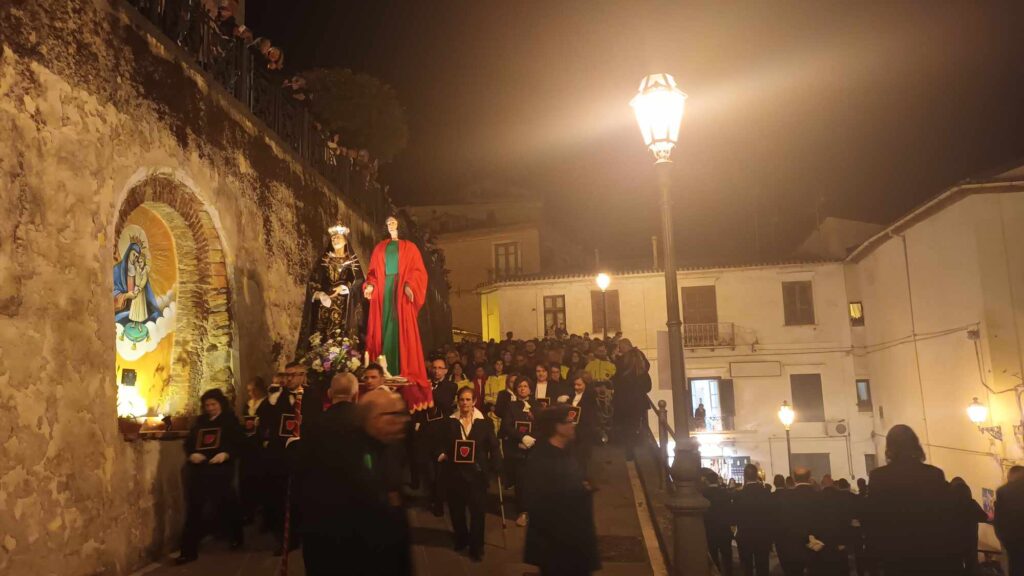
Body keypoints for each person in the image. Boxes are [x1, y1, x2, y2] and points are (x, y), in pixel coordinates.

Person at [290, 372, 361, 575]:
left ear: (329, 394)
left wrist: (293, 449)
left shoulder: (313, 424)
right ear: (356, 395)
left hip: (319, 510)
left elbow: (301, 467)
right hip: (356, 511)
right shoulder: (367, 423)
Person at [866, 424, 958, 574]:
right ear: (916, 444)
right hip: (931, 551)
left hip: (895, 553)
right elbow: (945, 516)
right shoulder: (934, 474)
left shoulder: (879, 477)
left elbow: (874, 520)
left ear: (889, 447)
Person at [523, 404, 601, 576]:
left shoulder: (568, 451)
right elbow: (536, 499)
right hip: (556, 544)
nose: (573, 425)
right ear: (557, 427)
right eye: (569, 422)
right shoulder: (541, 458)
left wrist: (585, 486)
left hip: (575, 540)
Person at [364, 216, 431, 411]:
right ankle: (381, 370)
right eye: (388, 223)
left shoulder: (410, 247)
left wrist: (410, 285)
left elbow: (419, 271)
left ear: (400, 225)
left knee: (399, 327)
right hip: (384, 292)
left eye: (393, 222)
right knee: (383, 329)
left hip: (401, 292)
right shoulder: (379, 248)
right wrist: (370, 285)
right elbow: (373, 273)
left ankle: (402, 368)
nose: (391, 225)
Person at [177, 388, 245, 564]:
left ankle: (236, 536)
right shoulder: (201, 422)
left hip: (221, 470)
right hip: (200, 470)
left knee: (228, 503)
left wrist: (226, 454)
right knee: (195, 509)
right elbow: (190, 443)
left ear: (220, 404)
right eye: (207, 405)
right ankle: (188, 550)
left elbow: (239, 443)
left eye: (213, 404)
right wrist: (192, 454)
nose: (210, 408)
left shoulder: (230, 422)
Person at [438, 386, 501, 562]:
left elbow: (494, 446)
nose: (464, 403)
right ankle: (461, 539)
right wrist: (441, 453)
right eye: (461, 400)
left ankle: (476, 546)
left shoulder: (484, 422)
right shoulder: (450, 421)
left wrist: (497, 466)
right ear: (457, 402)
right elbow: (441, 442)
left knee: (478, 512)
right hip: (454, 472)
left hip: (477, 474)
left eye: (468, 399)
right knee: (456, 510)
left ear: (474, 401)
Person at [256, 361, 306, 552]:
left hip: (301, 454)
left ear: (302, 376)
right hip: (280, 456)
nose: (289, 378)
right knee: (280, 498)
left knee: (300, 497)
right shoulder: (278, 395)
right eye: (287, 374)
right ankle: (286, 540)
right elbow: (264, 420)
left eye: (293, 375)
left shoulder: (312, 396)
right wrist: (271, 401)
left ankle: (301, 534)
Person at [415, 357, 457, 516]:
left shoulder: (451, 386)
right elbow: (418, 406)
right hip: (425, 431)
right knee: (427, 469)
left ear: (446, 370)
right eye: (434, 367)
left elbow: (445, 402)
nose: (437, 371)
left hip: (441, 433)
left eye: (440, 368)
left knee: (440, 470)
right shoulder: (425, 385)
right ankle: (432, 497)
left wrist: (428, 390)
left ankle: (439, 502)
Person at [500, 378, 537, 527]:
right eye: (520, 386)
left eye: (525, 386)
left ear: (530, 389)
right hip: (518, 449)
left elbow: (542, 426)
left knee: (534, 480)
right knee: (521, 481)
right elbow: (506, 426)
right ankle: (523, 511)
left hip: (534, 449)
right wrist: (522, 438)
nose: (522, 389)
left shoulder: (537, 406)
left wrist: (532, 440)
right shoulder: (511, 406)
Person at [773, 466, 821, 576]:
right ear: (809, 477)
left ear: (794, 479)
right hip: (815, 543)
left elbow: (783, 521)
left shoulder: (786, 497)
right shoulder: (819, 496)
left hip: (793, 545)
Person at [610, 346, 651, 459]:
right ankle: (630, 451)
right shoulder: (642, 374)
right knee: (633, 427)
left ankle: (624, 449)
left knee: (624, 427)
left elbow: (615, 384)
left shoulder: (622, 373)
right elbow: (647, 387)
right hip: (637, 404)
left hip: (622, 403)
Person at [733, 464, 773, 576]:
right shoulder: (766, 492)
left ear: (744, 476)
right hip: (763, 535)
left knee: (747, 567)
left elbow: (734, 516)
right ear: (756, 475)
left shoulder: (739, 494)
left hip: (745, 535)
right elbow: (771, 514)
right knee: (763, 566)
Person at [240, 376, 268, 523]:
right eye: (248, 391)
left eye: (253, 390)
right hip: (249, 444)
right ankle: (248, 510)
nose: (250, 393)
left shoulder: (267, 403)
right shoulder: (248, 404)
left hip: (261, 444)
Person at [949, 477, 986, 575]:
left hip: (953, 539)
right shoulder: (971, 503)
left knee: (955, 565)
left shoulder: (948, 505)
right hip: (971, 539)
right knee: (972, 564)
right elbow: (983, 517)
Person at [701, 469, 735, 576]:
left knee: (714, 556)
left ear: (707, 481)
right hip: (724, 529)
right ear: (717, 480)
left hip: (710, 530)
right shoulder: (725, 493)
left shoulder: (704, 494)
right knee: (727, 556)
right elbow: (730, 510)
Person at [566, 371, 599, 480]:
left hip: (584, 431)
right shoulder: (571, 395)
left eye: (579, 385)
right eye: (575, 384)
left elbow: (591, 415)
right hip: (571, 431)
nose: (576, 387)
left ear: (586, 384)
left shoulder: (590, 397)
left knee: (582, 457)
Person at [995, 465, 1024, 576]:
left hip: (1012, 540)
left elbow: (999, 519)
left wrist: (1003, 537)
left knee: (1015, 567)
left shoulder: (1002, 491)